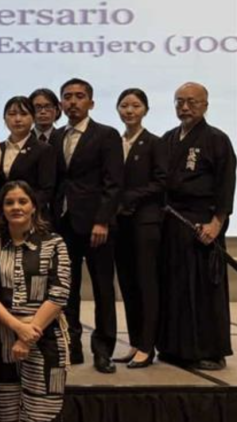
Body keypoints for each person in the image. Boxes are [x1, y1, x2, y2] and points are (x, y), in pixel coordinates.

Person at [158, 82, 236, 371]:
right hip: (172, 223)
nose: (185, 107)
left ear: (205, 105)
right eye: (179, 101)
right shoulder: (168, 138)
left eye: (192, 101)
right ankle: (175, 348)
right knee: (175, 287)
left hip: (202, 223)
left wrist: (217, 223)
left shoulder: (217, 139)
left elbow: (226, 185)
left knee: (203, 289)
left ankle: (211, 351)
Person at [0, 181, 71, 422]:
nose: (16, 207)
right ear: (1, 209)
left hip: (45, 337)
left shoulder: (54, 243)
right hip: (1, 339)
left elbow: (59, 293)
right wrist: (18, 328)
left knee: (42, 414)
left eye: (23, 201)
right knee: (5, 414)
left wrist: (27, 335)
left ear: (34, 207)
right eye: (9, 203)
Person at [51, 78, 122, 373]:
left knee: (103, 289)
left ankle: (103, 350)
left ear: (91, 102)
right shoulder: (56, 136)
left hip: (96, 226)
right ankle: (72, 346)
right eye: (67, 96)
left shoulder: (106, 134)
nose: (73, 102)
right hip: (64, 224)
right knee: (67, 289)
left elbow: (113, 183)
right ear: (61, 103)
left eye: (79, 96)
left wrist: (102, 220)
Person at [112, 89, 166, 369]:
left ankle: (147, 346)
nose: (129, 111)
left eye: (135, 105)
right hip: (119, 223)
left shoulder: (154, 143)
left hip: (145, 222)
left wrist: (131, 197)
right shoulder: (115, 142)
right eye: (124, 105)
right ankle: (134, 342)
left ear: (146, 109)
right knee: (127, 284)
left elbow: (162, 182)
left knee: (146, 285)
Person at [0, 97, 55, 218]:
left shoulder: (43, 149)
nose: (17, 119)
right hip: (2, 216)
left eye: (24, 114)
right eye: (12, 114)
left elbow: (46, 190)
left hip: (34, 216)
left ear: (33, 118)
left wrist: (26, 209)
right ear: (4, 119)